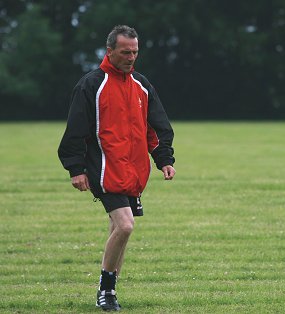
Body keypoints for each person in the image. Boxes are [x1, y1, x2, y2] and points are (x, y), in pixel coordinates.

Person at [58, 25, 175, 311]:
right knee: (125, 225)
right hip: (103, 169)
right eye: (125, 52)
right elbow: (76, 130)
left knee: (117, 230)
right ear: (109, 51)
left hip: (133, 171)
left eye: (135, 52)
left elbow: (157, 127)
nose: (131, 57)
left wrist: (164, 159)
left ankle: (110, 293)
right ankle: (105, 290)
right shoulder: (91, 85)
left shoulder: (142, 85)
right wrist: (76, 168)